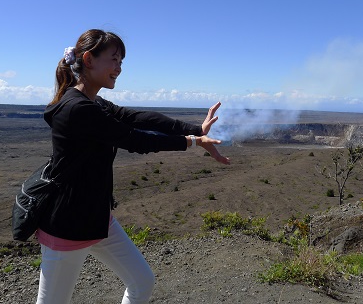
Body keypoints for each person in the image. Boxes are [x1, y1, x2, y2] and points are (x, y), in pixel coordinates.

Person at [35, 29, 230, 304]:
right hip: (67, 224)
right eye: (114, 59)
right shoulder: (77, 108)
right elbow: (134, 139)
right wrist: (192, 142)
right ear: (89, 59)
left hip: (97, 218)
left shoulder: (94, 102)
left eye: (121, 62)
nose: (119, 68)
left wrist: (195, 128)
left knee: (141, 281)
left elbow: (136, 117)